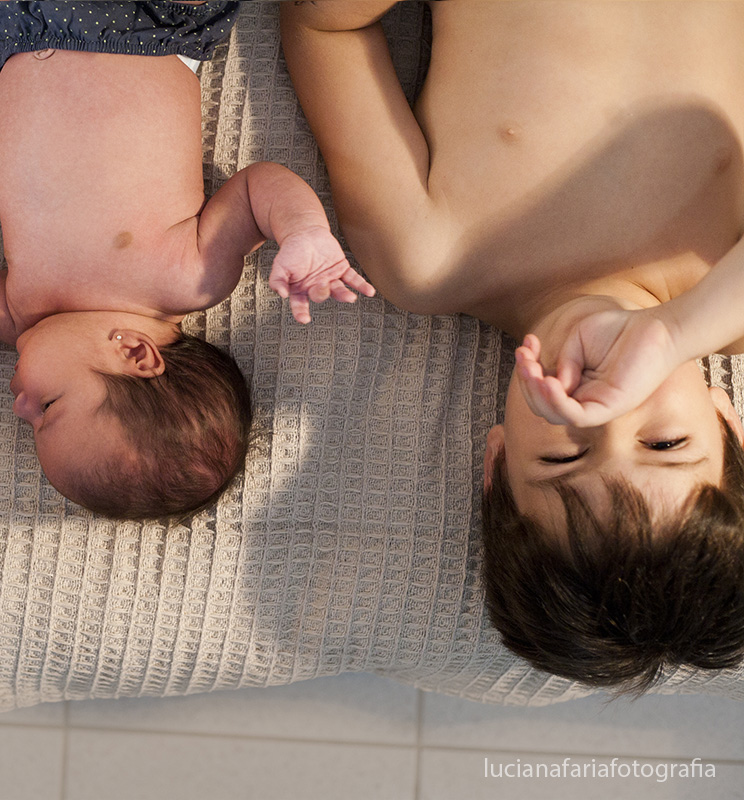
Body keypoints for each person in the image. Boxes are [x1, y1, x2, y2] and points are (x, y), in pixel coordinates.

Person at [281, 0, 744, 692]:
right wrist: (674, 330)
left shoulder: (431, 260)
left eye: (563, 455)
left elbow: (321, 24)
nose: (607, 408)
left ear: (496, 463)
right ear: (727, 422)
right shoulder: (727, 302)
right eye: (666, 443)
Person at [0, 1, 375, 520]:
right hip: (145, 22)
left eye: (29, 423)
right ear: (134, 353)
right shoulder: (189, 278)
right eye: (47, 409)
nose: (18, 406)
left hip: (26, 22)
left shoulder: (23, 313)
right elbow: (259, 190)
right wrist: (303, 231)